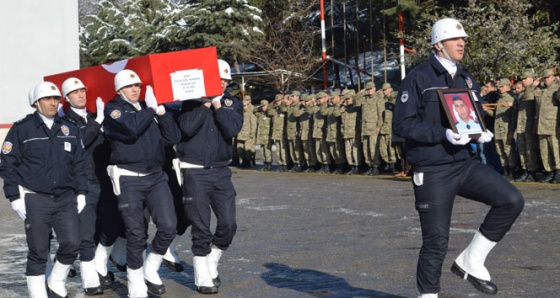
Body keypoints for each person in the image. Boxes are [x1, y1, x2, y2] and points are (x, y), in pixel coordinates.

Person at [392, 18, 525, 297]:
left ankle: (471, 261)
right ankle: (428, 295)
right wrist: (443, 134)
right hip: (432, 168)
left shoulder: (466, 79)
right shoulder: (417, 78)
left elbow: (471, 117)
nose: (461, 43)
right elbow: (402, 125)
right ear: (438, 45)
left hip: (464, 163)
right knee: (436, 241)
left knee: (511, 200)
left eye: (463, 39)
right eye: (454, 39)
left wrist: (480, 133)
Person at [0, 82, 87, 297]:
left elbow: (79, 164)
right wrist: (14, 197)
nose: (53, 103)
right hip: (36, 198)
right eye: (48, 99)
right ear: (36, 103)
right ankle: (37, 293)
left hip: (66, 198)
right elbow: (7, 164)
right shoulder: (22, 129)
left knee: (72, 243)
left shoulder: (69, 128)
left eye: (56, 99)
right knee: (39, 251)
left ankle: (56, 280)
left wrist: (82, 192)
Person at [103, 69, 181, 297]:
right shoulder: (114, 109)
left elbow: (172, 138)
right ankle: (135, 282)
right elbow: (132, 128)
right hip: (129, 177)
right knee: (136, 232)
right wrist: (149, 109)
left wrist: (162, 112)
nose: (135, 89)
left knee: (169, 226)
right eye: (129, 86)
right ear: (120, 90)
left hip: (156, 177)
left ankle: (150, 268)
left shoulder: (150, 110)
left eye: (137, 85)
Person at [175, 59, 243, 294]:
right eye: (218, 80)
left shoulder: (232, 103)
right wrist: (204, 105)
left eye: (225, 80)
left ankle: (212, 259)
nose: (222, 84)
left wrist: (217, 105)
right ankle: (201, 275)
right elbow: (186, 129)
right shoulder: (190, 103)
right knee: (201, 226)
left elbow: (232, 129)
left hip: (221, 171)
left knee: (228, 224)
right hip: (194, 171)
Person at [60, 77, 108, 295]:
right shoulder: (65, 122)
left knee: (110, 226)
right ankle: (90, 279)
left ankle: (98, 265)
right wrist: (97, 122)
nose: (81, 95)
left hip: (104, 179)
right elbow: (80, 142)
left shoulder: (92, 116)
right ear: (68, 98)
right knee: (86, 233)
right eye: (76, 92)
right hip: (83, 182)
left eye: (83, 91)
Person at [514, 69, 541, 182]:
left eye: (525, 79)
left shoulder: (536, 91)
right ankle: (525, 170)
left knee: (531, 150)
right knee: (522, 150)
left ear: (531, 79)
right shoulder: (521, 94)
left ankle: (532, 171)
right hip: (521, 125)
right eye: (523, 79)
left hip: (529, 125)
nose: (523, 81)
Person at [535, 68, 560, 183]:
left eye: (548, 77)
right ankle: (549, 171)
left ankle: (558, 172)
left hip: (552, 125)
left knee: (555, 150)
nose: (545, 80)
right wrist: (533, 85)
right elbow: (528, 96)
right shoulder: (541, 90)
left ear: (553, 77)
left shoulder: (557, 89)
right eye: (544, 78)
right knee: (545, 151)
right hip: (541, 125)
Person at [236, 95, 257, 168]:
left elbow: (253, 123)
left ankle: (248, 162)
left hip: (248, 134)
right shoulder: (240, 112)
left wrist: (252, 134)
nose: (243, 107)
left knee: (248, 149)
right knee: (239, 149)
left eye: (244, 106)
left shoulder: (251, 111)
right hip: (240, 134)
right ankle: (244, 160)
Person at [254, 99, 273, 171]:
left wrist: (271, 134)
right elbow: (254, 111)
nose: (263, 108)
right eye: (262, 106)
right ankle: (264, 163)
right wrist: (258, 108)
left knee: (267, 150)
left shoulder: (270, 113)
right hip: (261, 134)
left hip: (267, 134)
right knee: (262, 150)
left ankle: (269, 163)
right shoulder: (260, 113)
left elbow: (273, 124)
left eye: (264, 106)